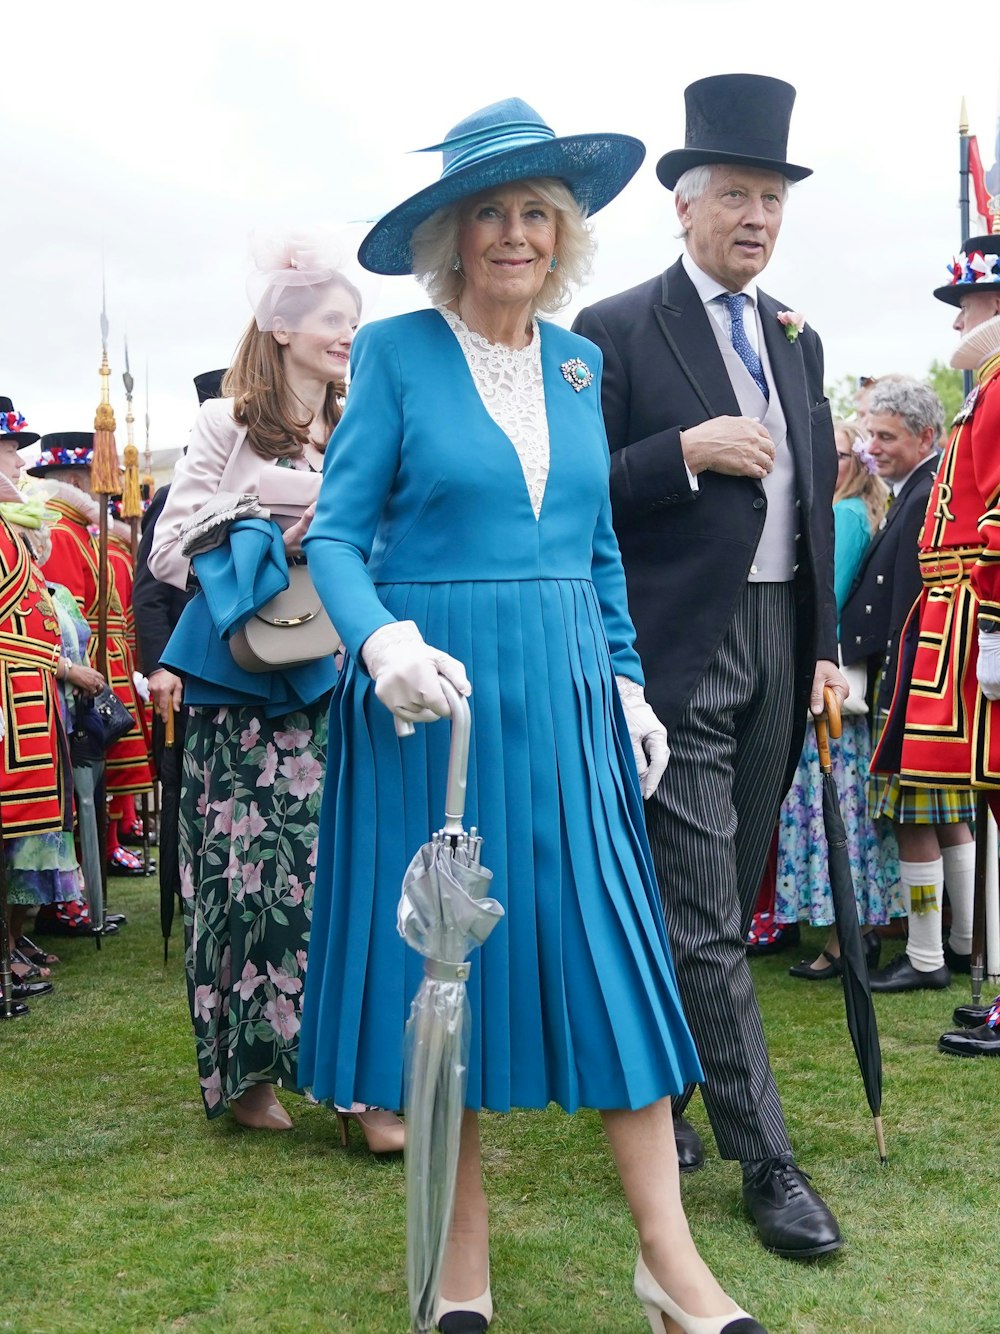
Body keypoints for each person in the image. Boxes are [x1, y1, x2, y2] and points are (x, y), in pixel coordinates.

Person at [300, 97, 766, 1334]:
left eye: (536, 214)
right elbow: (340, 535)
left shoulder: (578, 363)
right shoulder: (397, 353)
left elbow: (599, 546)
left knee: (616, 964)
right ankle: (461, 1273)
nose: (515, 234)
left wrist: (623, 677)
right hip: (432, 698)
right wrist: (380, 637)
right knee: (443, 977)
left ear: (563, 236)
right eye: (492, 214)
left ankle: (671, 1265)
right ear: (452, 236)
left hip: (566, 698)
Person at [572, 74, 845, 1259]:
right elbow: (575, 496)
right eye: (733, 192)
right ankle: (767, 1163)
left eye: (771, 197)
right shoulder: (615, 329)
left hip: (784, 642)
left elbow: (820, 502)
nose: (755, 215)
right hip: (677, 650)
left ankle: (666, 1095)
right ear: (680, 204)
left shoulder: (797, 332)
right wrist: (679, 450)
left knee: (723, 904)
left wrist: (828, 647)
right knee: (702, 915)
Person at [148, 238, 401, 1145]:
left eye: (354, 321)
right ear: (281, 325)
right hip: (241, 686)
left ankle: (360, 1087)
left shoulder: (359, 421)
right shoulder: (225, 425)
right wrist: (272, 530)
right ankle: (250, 1079)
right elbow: (170, 550)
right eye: (336, 318)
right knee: (251, 889)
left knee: (345, 882)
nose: (349, 334)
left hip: (339, 679)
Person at [872, 234, 1000, 1053]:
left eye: (971, 298)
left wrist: (993, 625)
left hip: (980, 611)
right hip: (959, 612)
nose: (959, 313)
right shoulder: (984, 389)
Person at [843, 378, 976, 993]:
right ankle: (964, 943)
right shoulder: (924, 487)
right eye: (871, 434)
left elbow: (914, 597)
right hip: (923, 675)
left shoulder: (927, 493)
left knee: (916, 816)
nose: (874, 448)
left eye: (886, 436)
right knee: (947, 817)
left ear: (926, 435)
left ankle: (927, 958)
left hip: (914, 676)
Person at [782, 421, 901, 977]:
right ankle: (850, 931)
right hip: (835, 683)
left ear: (853, 462)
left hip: (830, 685)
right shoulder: (849, 511)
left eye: (837, 454)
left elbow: (825, 592)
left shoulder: (846, 516)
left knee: (835, 811)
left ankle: (847, 935)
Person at [29, 434, 154, 884]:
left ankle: (111, 842)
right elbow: (67, 616)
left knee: (107, 767)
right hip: (84, 664)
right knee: (88, 772)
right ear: (81, 479)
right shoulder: (62, 533)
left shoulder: (76, 530)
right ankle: (94, 858)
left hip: (109, 658)